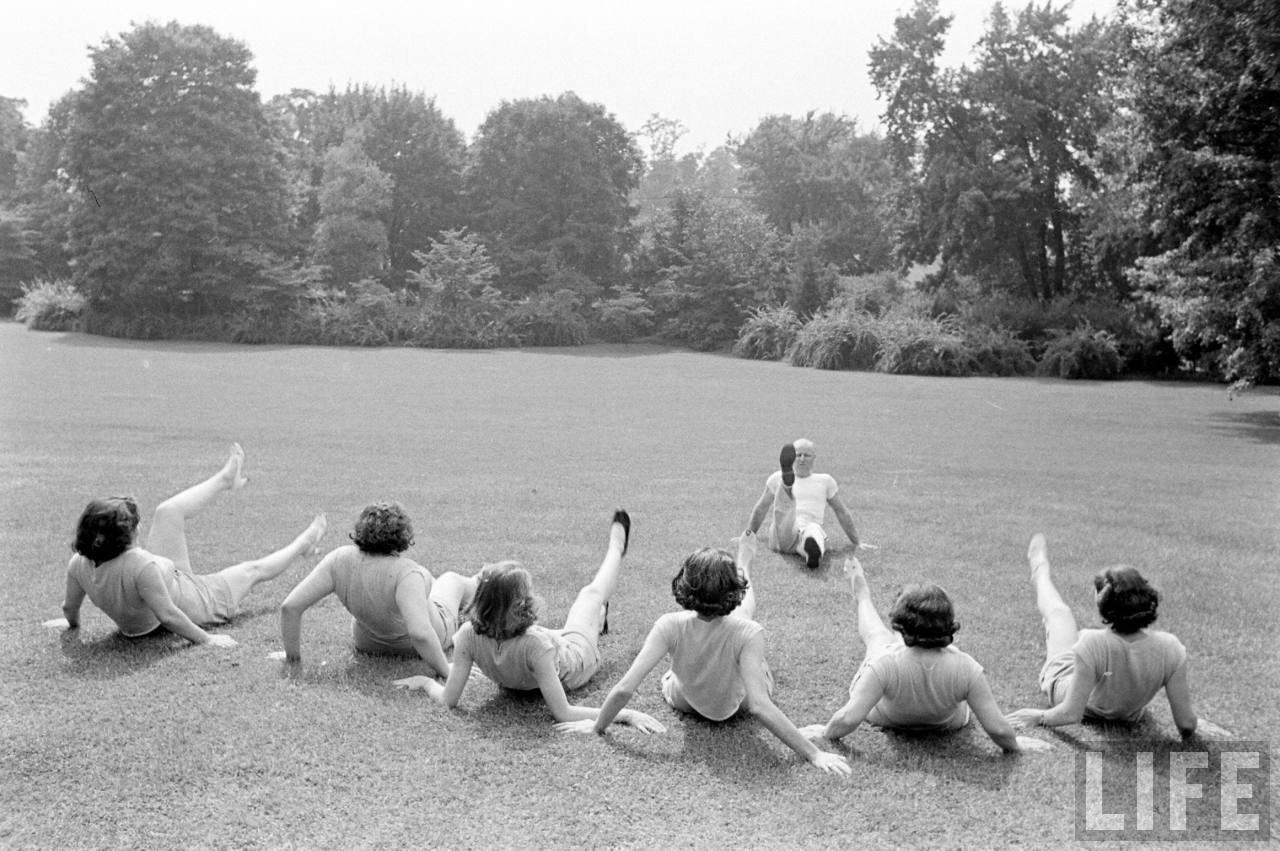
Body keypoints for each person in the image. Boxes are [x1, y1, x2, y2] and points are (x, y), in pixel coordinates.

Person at [556, 532, 852, 776]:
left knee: (679, 671)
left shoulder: (668, 624)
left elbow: (624, 688)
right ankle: (745, 562)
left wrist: (598, 726)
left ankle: (744, 561)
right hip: (737, 705)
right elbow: (760, 706)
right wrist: (813, 754)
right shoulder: (750, 632)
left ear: (685, 585)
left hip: (686, 702)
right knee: (749, 630)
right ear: (733, 592)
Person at [393, 510, 663, 732]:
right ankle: (614, 554)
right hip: (577, 656)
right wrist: (625, 714)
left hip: (568, 655)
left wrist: (425, 681)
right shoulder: (523, 642)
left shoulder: (472, 635)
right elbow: (563, 713)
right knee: (589, 596)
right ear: (522, 606)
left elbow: (448, 699)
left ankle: (611, 565)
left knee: (587, 603)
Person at [48, 443, 327, 646]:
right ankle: (302, 544)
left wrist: (71, 625)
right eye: (136, 525)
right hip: (200, 599)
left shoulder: (80, 564)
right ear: (127, 536)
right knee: (252, 570)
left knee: (167, 512)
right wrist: (207, 639)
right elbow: (169, 615)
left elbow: (69, 608)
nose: (140, 527)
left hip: (171, 581)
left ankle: (225, 480)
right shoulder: (141, 566)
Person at [798, 559, 1044, 753]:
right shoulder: (967, 668)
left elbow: (848, 718)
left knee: (877, 639)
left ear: (899, 624)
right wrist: (1016, 745)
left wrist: (825, 732)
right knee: (886, 645)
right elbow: (999, 729)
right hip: (947, 723)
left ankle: (863, 595)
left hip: (887, 718)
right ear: (949, 626)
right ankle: (866, 599)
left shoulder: (884, 664)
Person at [1005, 534, 1197, 738]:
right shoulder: (1171, 647)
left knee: (1059, 615)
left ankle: (1039, 569)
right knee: (1078, 634)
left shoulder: (1093, 642)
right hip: (1127, 712)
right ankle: (1040, 570)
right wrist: (1197, 725)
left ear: (1101, 601)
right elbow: (1186, 723)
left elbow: (1071, 713)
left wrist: (1039, 717)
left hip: (1067, 684)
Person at [274, 502, 478, 678]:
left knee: (428, 581)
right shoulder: (406, 572)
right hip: (416, 645)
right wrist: (446, 671)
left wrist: (293, 659)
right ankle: (483, 581)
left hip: (368, 643)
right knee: (452, 579)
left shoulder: (339, 560)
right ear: (403, 536)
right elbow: (420, 633)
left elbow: (290, 607)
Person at [746, 439, 860, 569]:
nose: (802, 459)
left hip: (807, 531)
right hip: (783, 534)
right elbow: (761, 508)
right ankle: (787, 484)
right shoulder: (776, 477)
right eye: (798, 455)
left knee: (814, 530)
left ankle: (812, 555)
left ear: (814, 458)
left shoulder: (825, 481)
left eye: (806, 455)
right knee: (786, 514)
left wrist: (857, 542)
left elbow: (841, 511)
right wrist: (748, 535)